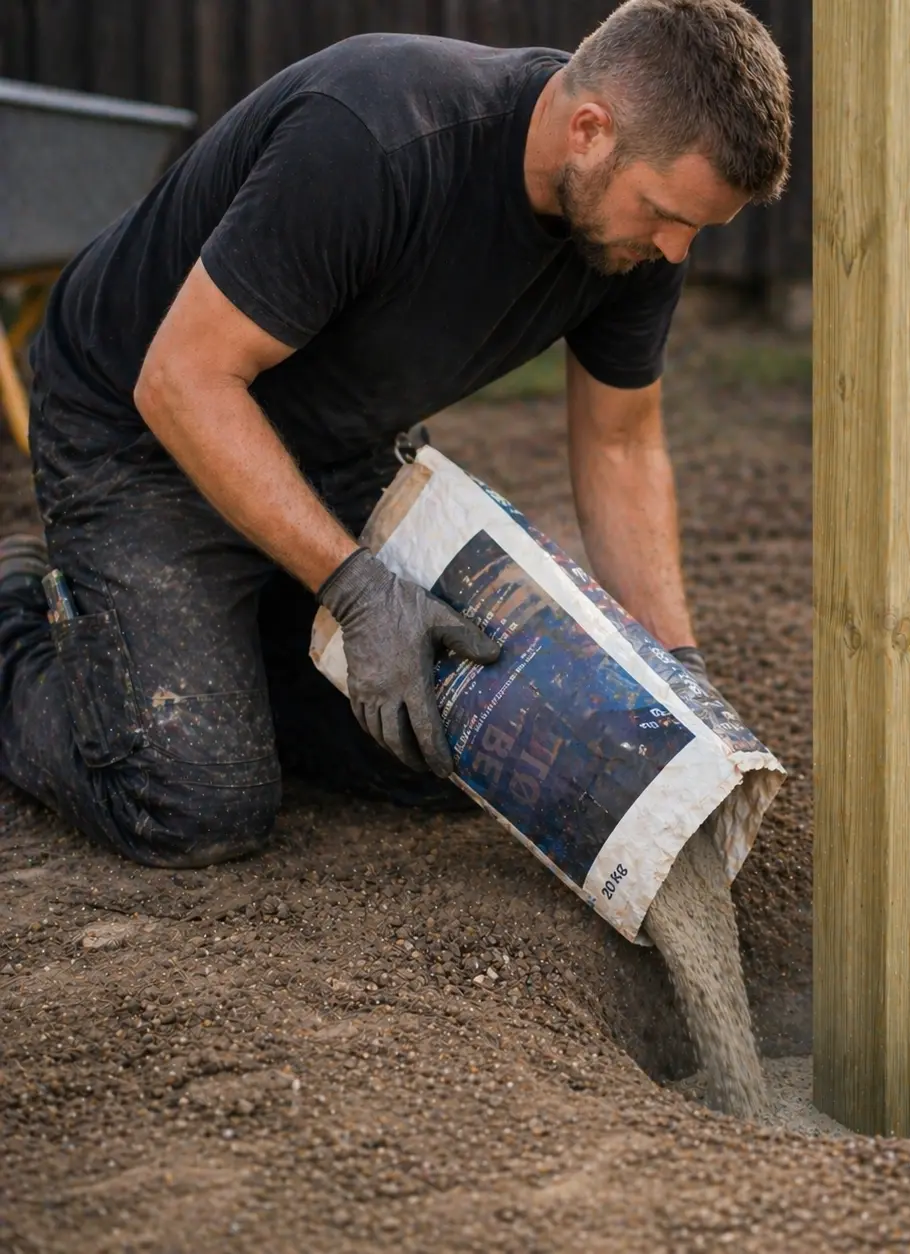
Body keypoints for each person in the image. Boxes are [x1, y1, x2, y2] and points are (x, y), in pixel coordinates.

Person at [0, 0, 791, 868]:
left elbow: (622, 446)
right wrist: (357, 590)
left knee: (450, 756)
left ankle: (225, 645)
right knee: (194, 800)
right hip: (141, 434)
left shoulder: (635, 237)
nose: (677, 252)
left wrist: (681, 677)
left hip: (331, 446)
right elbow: (182, 381)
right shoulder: (374, 136)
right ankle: (19, 619)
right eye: (666, 215)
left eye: (697, 230)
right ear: (590, 131)